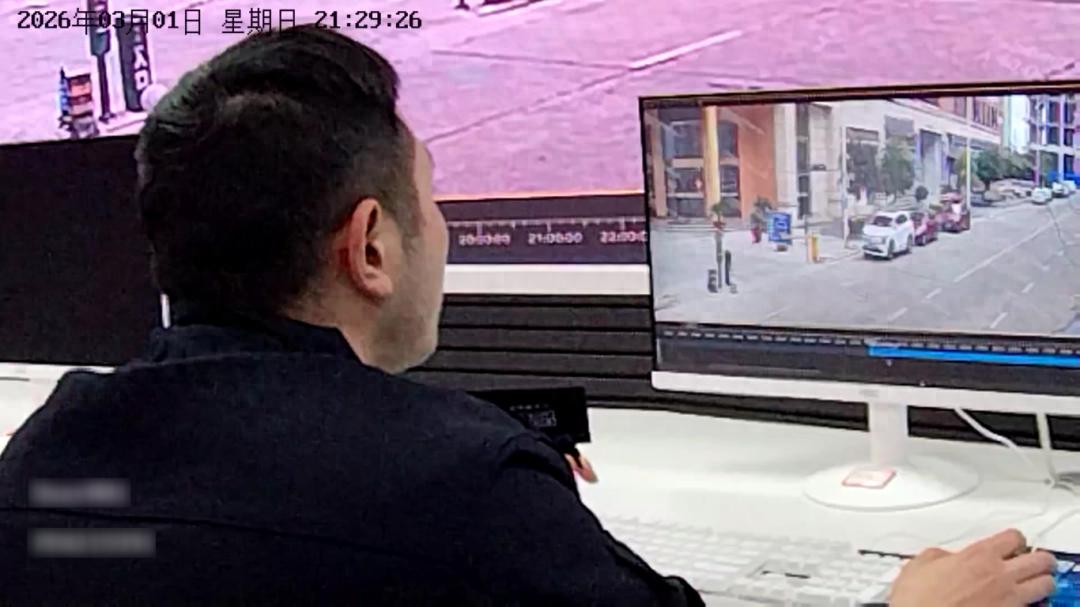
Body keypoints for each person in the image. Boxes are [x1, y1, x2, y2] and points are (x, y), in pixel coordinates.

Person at [0, 25, 1056, 607]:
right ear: (372, 247)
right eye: (434, 203)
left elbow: (246, 507)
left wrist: (469, 447)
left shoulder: (47, 459)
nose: (445, 233)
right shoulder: (458, 490)